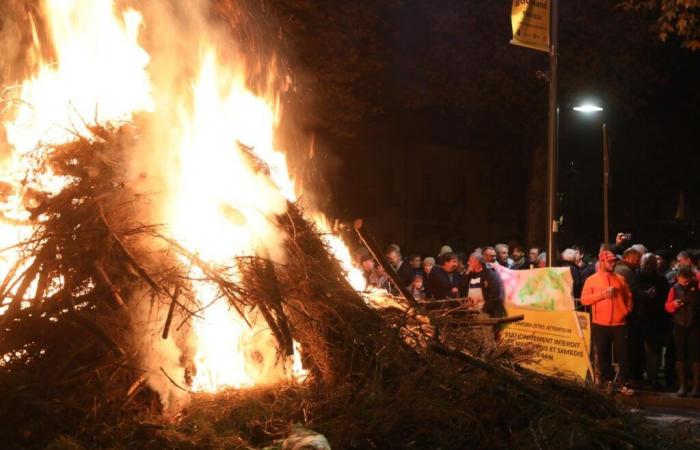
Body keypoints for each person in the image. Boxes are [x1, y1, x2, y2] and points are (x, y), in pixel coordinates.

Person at [581, 249, 635, 395]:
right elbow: (584, 299)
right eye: (610, 261)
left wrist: (625, 311)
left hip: (619, 323)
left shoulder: (620, 279)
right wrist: (602, 294)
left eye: (614, 261)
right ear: (602, 262)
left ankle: (624, 383)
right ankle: (608, 382)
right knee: (603, 355)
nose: (613, 263)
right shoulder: (591, 280)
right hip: (600, 323)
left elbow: (629, 298)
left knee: (623, 355)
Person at [638, 253, 672, 390]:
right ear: (641, 263)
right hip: (639, 320)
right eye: (647, 263)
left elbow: (664, 301)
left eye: (652, 264)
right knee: (639, 351)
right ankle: (639, 377)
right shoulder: (636, 277)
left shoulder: (661, 280)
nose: (649, 266)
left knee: (654, 351)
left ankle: (652, 378)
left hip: (655, 321)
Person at [665, 267, 700, 397]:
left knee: (696, 355)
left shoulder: (697, 286)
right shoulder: (674, 289)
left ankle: (696, 386)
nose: (684, 283)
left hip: (695, 325)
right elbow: (667, 307)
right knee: (680, 355)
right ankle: (683, 385)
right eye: (681, 280)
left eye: (686, 280)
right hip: (679, 325)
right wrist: (674, 304)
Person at [461, 252, 506, 318]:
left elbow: (494, 295)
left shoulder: (490, 274)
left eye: (470, 261)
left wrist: (484, 310)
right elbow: (462, 289)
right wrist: (467, 274)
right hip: (470, 313)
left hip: (485, 313)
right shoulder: (469, 275)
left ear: (476, 262)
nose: (468, 263)